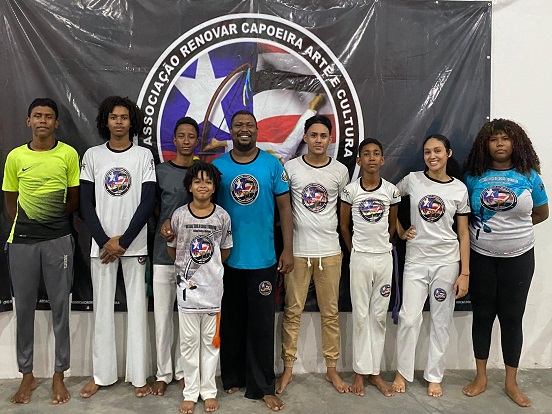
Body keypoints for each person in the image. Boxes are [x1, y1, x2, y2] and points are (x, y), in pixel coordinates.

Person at [462, 119, 548, 407]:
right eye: (493, 139)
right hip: (481, 258)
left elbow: (542, 213)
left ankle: (511, 382)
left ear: (516, 143)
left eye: (505, 138)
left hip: (519, 259)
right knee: (482, 316)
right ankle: (481, 377)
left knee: (512, 318)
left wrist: (512, 231)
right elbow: (463, 215)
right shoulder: (473, 177)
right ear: (485, 145)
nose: (499, 143)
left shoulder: (529, 176)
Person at [213, 110, 293, 411]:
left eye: (249, 125)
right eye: (238, 125)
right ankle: (233, 376)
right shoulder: (218, 167)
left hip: (263, 259)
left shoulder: (272, 164)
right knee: (232, 321)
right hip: (227, 259)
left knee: (261, 325)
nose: (244, 129)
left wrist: (287, 249)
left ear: (257, 131)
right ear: (231, 131)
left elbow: (285, 209)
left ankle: (262, 386)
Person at [3, 98, 80, 404]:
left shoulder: (68, 154)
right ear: (29, 121)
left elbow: (73, 200)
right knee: (24, 310)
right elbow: (10, 203)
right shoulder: (15, 157)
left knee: (61, 308)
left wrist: (50, 223)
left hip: (58, 240)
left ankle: (59, 375)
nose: (43, 121)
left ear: (56, 123)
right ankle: (27, 376)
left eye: (48, 116)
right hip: (22, 242)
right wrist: (30, 224)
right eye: (37, 116)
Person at [79, 96, 156, 398]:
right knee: (102, 311)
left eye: (124, 117)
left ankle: (139, 376)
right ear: (106, 121)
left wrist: (122, 242)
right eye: (114, 117)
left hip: (133, 245)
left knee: (137, 311)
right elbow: (85, 204)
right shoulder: (93, 155)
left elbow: (148, 202)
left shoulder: (143, 156)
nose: (119, 122)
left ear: (131, 122)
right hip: (102, 247)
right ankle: (101, 374)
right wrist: (104, 241)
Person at [392, 134, 470, 397]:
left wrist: (465, 272)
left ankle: (434, 376)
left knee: (441, 320)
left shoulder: (459, 189)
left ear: (448, 153)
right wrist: (400, 230)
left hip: (446, 262)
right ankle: (402, 372)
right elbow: (388, 199)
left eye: (437, 151)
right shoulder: (412, 180)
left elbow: (463, 233)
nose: (432, 156)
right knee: (408, 318)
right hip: (416, 260)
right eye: (427, 152)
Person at [276, 115, 349, 394]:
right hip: (298, 251)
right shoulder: (291, 167)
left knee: (330, 313)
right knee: (292, 312)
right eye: (314, 135)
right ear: (305, 137)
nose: (319, 140)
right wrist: (288, 249)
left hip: (330, 251)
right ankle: (287, 369)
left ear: (330, 139)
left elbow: (344, 213)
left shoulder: (340, 171)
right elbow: (283, 209)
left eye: (323, 136)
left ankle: (331, 369)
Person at [167, 162, 232, 414]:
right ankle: (190, 392)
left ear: (214, 187)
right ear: (189, 186)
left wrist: (210, 272)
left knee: (211, 343)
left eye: (208, 181)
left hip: (213, 291)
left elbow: (224, 251)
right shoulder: (179, 216)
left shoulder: (222, 217)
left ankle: (209, 391)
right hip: (187, 293)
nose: (202, 185)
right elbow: (173, 251)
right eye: (197, 181)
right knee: (189, 343)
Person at [339, 138, 400, 397]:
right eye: (366, 154)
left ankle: (374, 373)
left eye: (376, 154)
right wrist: (355, 250)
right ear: (359, 160)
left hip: (384, 259)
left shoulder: (391, 191)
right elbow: (344, 226)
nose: (372, 158)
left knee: (378, 316)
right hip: (360, 259)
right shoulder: (350, 191)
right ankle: (359, 372)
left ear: (383, 160)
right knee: (361, 316)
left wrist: (380, 246)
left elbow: (392, 225)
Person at [151, 117, 200, 396]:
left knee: (187, 321)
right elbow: (154, 208)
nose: (186, 140)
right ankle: (163, 373)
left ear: (197, 141)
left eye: (191, 136)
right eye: (181, 135)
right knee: (162, 320)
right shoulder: (161, 171)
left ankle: (183, 372)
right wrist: (167, 227)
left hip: (194, 260)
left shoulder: (203, 173)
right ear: (174, 139)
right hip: (162, 255)